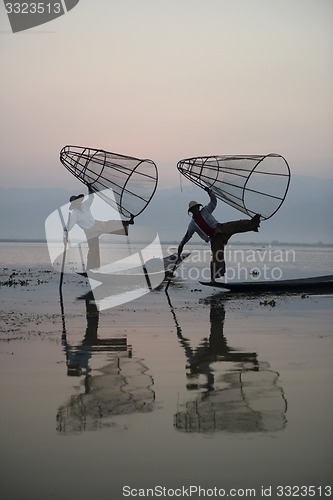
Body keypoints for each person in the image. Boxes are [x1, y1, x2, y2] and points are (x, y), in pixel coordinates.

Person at [177, 188, 261, 282]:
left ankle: (253, 224)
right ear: (191, 211)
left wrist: (210, 192)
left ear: (198, 207)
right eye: (193, 209)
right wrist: (181, 246)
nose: (195, 210)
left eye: (196, 208)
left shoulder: (205, 210)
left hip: (220, 228)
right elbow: (187, 236)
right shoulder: (192, 224)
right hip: (214, 237)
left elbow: (213, 201)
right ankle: (213, 278)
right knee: (217, 257)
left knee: (236, 225)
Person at [64, 184, 134, 270]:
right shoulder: (74, 214)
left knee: (110, 224)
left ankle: (128, 222)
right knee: (93, 250)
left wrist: (89, 188)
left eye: (78, 201)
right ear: (74, 204)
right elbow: (68, 227)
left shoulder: (85, 205)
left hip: (96, 224)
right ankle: (92, 269)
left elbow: (91, 198)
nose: (78, 203)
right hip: (90, 231)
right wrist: (65, 236)